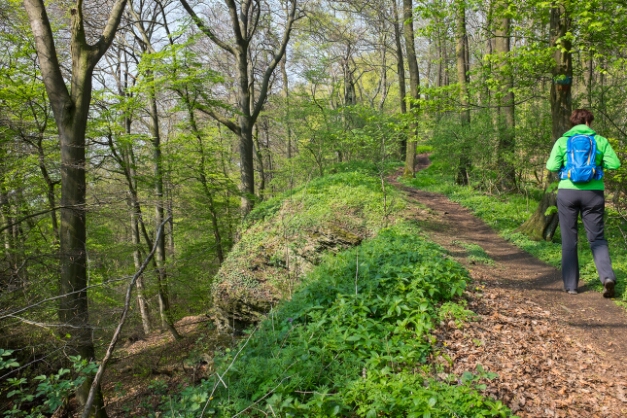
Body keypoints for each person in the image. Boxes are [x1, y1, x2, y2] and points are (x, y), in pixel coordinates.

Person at [546, 109, 621, 297]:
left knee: (569, 240)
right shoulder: (600, 141)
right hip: (593, 193)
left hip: (567, 193)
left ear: (573, 122)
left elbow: (551, 166)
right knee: (597, 238)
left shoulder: (563, 141)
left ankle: (571, 286)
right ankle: (607, 277)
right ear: (589, 122)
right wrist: (597, 166)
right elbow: (615, 164)